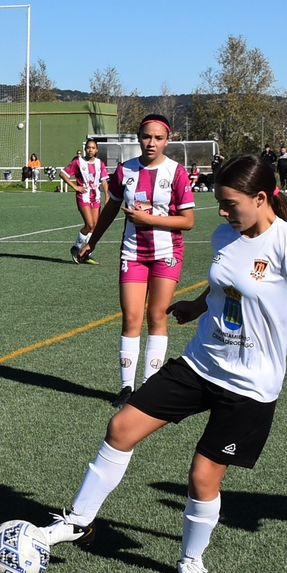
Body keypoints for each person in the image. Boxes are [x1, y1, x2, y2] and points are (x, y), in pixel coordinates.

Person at [40, 153, 287, 573]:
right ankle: (76, 522)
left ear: (261, 197)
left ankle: (191, 558)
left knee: (201, 476)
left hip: (250, 386)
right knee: (121, 427)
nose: (223, 213)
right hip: (200, 362)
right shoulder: (225, 235)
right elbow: (227, 278)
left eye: (230, 204)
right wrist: (198, 303)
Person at [77, 114, 195, 408]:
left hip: (167, 253)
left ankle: (150, 387)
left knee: (157, 316)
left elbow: (188, 221)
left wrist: (147, 218)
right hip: (133, 253)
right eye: (146, 137)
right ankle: (127, 388)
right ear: (138, 138)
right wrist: (92, 241)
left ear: (167, 140)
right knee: (131, 317)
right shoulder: (125, 170)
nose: (151, 143)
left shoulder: (176, 172)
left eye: (158, 138)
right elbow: (111, 209)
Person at [59, 139, 108, 265]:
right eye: (88, 147)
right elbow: (63, 174)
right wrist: (75, 187)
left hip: (95, 197)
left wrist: (107, 196)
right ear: (85, 149)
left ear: (96, 150)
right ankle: (76, 247)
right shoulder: (78, 162)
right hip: (83, 196)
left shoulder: (100, 163)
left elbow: (104, 181)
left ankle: (86, 254)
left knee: (95, 227)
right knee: (90, 224)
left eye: (93, 148)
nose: (90, 150)